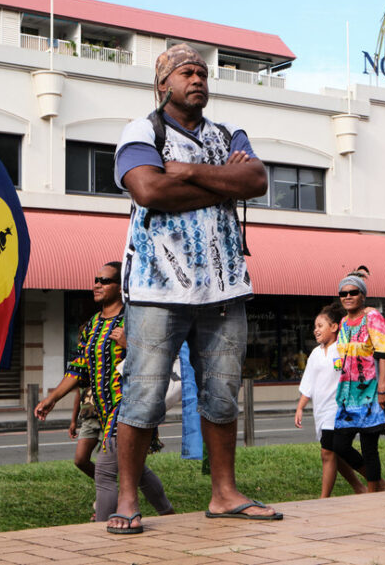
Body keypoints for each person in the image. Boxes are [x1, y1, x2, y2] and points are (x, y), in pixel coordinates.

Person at [110, 42, 275, 532]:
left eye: (202, 72)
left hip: (224, 291)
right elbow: (148, 189)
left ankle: (224, 493)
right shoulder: (143, 130)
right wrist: (224, 180)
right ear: (163, 83)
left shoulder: (227, 133)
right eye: (186, 72)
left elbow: (258, 179)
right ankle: (125, 499)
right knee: (144, 397)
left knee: (222, 396)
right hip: (157, 289)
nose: (197, 79)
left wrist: (187, 170)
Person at [35, 262, 174, 532]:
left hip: (131, 405)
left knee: (105, 471)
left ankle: (102, 530)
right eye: (96, 279)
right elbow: (78, 369)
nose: (97, 284)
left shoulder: (135, 320)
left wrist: (129, 344)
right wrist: (52, 398)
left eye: (105, 280)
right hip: (103, 407)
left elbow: (160, 355)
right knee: (136, 468)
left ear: (121, 286)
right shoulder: (91, 327)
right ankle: (168, 513)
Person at [294, 303, 366, 498]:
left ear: (334, 327)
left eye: (320, 326)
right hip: (321, 411)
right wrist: (300, 407)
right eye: (315, 326)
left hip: (339, 410)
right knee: (335, 453)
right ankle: (367, 484)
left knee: (327, 453)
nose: (316, 330)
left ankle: (324, 498)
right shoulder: (315, 354)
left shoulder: (343, 349)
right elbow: (308, 383)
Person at [333, 274, 385, 493]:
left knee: (369, 448)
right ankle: (379, 484)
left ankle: (373, 493)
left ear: (363, 296)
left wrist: (383, 389)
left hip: (371, 392)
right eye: (343, 293)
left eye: (353, 292)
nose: (348, 297)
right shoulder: (342, 322)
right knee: (338, 445)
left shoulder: (373, 318)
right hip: (348, 395)